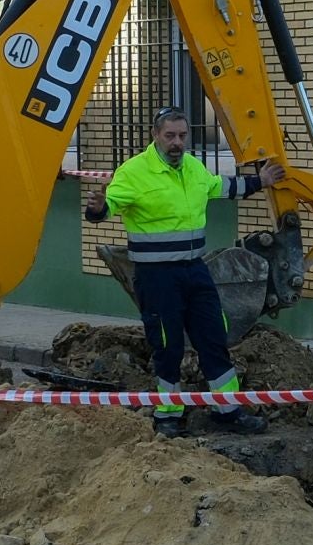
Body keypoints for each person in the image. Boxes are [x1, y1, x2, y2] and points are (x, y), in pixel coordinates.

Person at [85, 108, 283, 438]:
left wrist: (259, 181)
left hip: (195, 270)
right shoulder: (134, 172)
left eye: (182, 136)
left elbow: (220, 186)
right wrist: (97, 209)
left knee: (213, 338)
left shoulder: (192, 167)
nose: (177, 143)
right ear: (155, 134)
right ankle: (168, 413)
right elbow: (109, 206)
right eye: (170, 136)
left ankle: (228, 409)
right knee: (168, 343)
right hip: (157, 277)